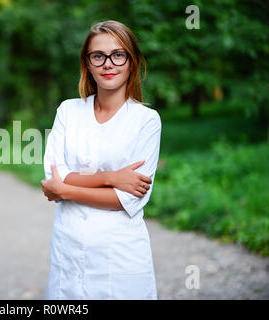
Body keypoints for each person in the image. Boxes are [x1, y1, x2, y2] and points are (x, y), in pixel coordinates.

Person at [40, 20, 162, 300]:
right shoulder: (68, 111)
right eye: (99, 56)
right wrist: (110, 178)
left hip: (119, 256)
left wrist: (66, 191)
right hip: (69, 248)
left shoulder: (146, 121)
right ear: (88, 63)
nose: (108, 64)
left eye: (118, 55)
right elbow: (54, 175)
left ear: (131, 62)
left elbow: (127, 199)